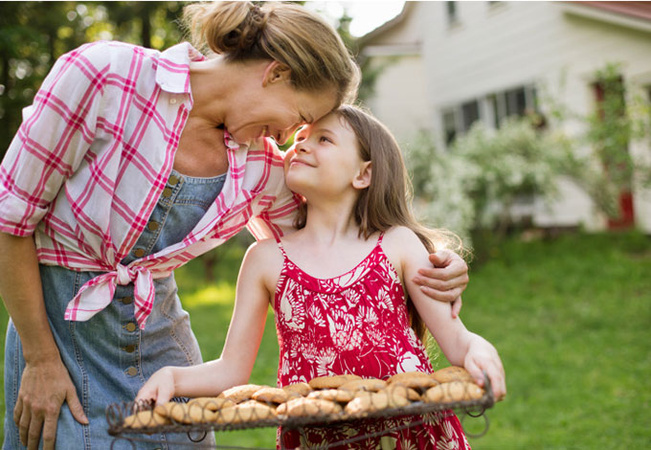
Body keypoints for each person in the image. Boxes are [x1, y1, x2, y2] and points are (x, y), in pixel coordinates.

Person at [0, 2, 471, 449]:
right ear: (277, 73)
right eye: (300, 118)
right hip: (57, 336)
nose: (289, 138)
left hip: (161, 345)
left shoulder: (263, 170)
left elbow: (339, 251)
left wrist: (435, 264)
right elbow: (10, 222)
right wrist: (41, 359)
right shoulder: (103, 77)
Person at [136, 105, 506, 449]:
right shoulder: (265, 260)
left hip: (412, 434)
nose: (301, 147)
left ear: (364, 173)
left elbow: (460, 343)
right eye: (298, 140)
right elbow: (231, 371)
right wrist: (174, 377)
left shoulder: (397, 245)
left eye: (323, 139)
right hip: (320, 440)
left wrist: (481, 353)